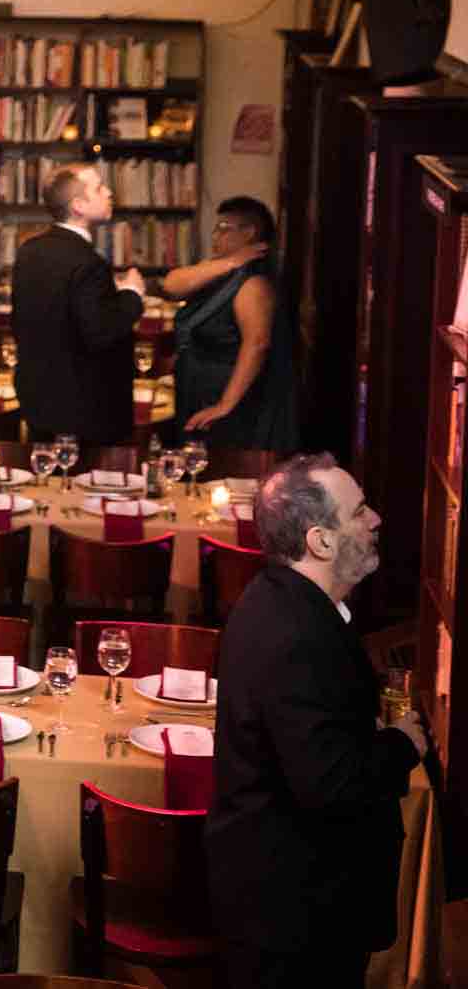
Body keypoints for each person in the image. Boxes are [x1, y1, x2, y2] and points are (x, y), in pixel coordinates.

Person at [206, 453, 427, 987]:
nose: (375, 520)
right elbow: (328, 784)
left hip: (282, 896)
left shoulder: (280, 601)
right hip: (295, 909)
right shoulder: (298, 635)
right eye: (358, 512)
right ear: (320, 541)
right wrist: (402, 743)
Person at [10, 163, 147, 445]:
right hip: (86, 408)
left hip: (38, 398)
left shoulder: (29, 251)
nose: (109, 192)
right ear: (78, 206)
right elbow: (100, 332)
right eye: (98, 188)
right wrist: (132, 295)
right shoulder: (88, 263)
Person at [159, 195, 299, 451]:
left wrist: (226, 403)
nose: (215, 235)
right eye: (216, 227)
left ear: (249, 233)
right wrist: (232, 261)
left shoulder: (253, 284)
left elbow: (256, 344)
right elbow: (171, 285)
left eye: (223, 228)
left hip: (230, 396)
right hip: (197, 388)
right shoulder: (221, 269)